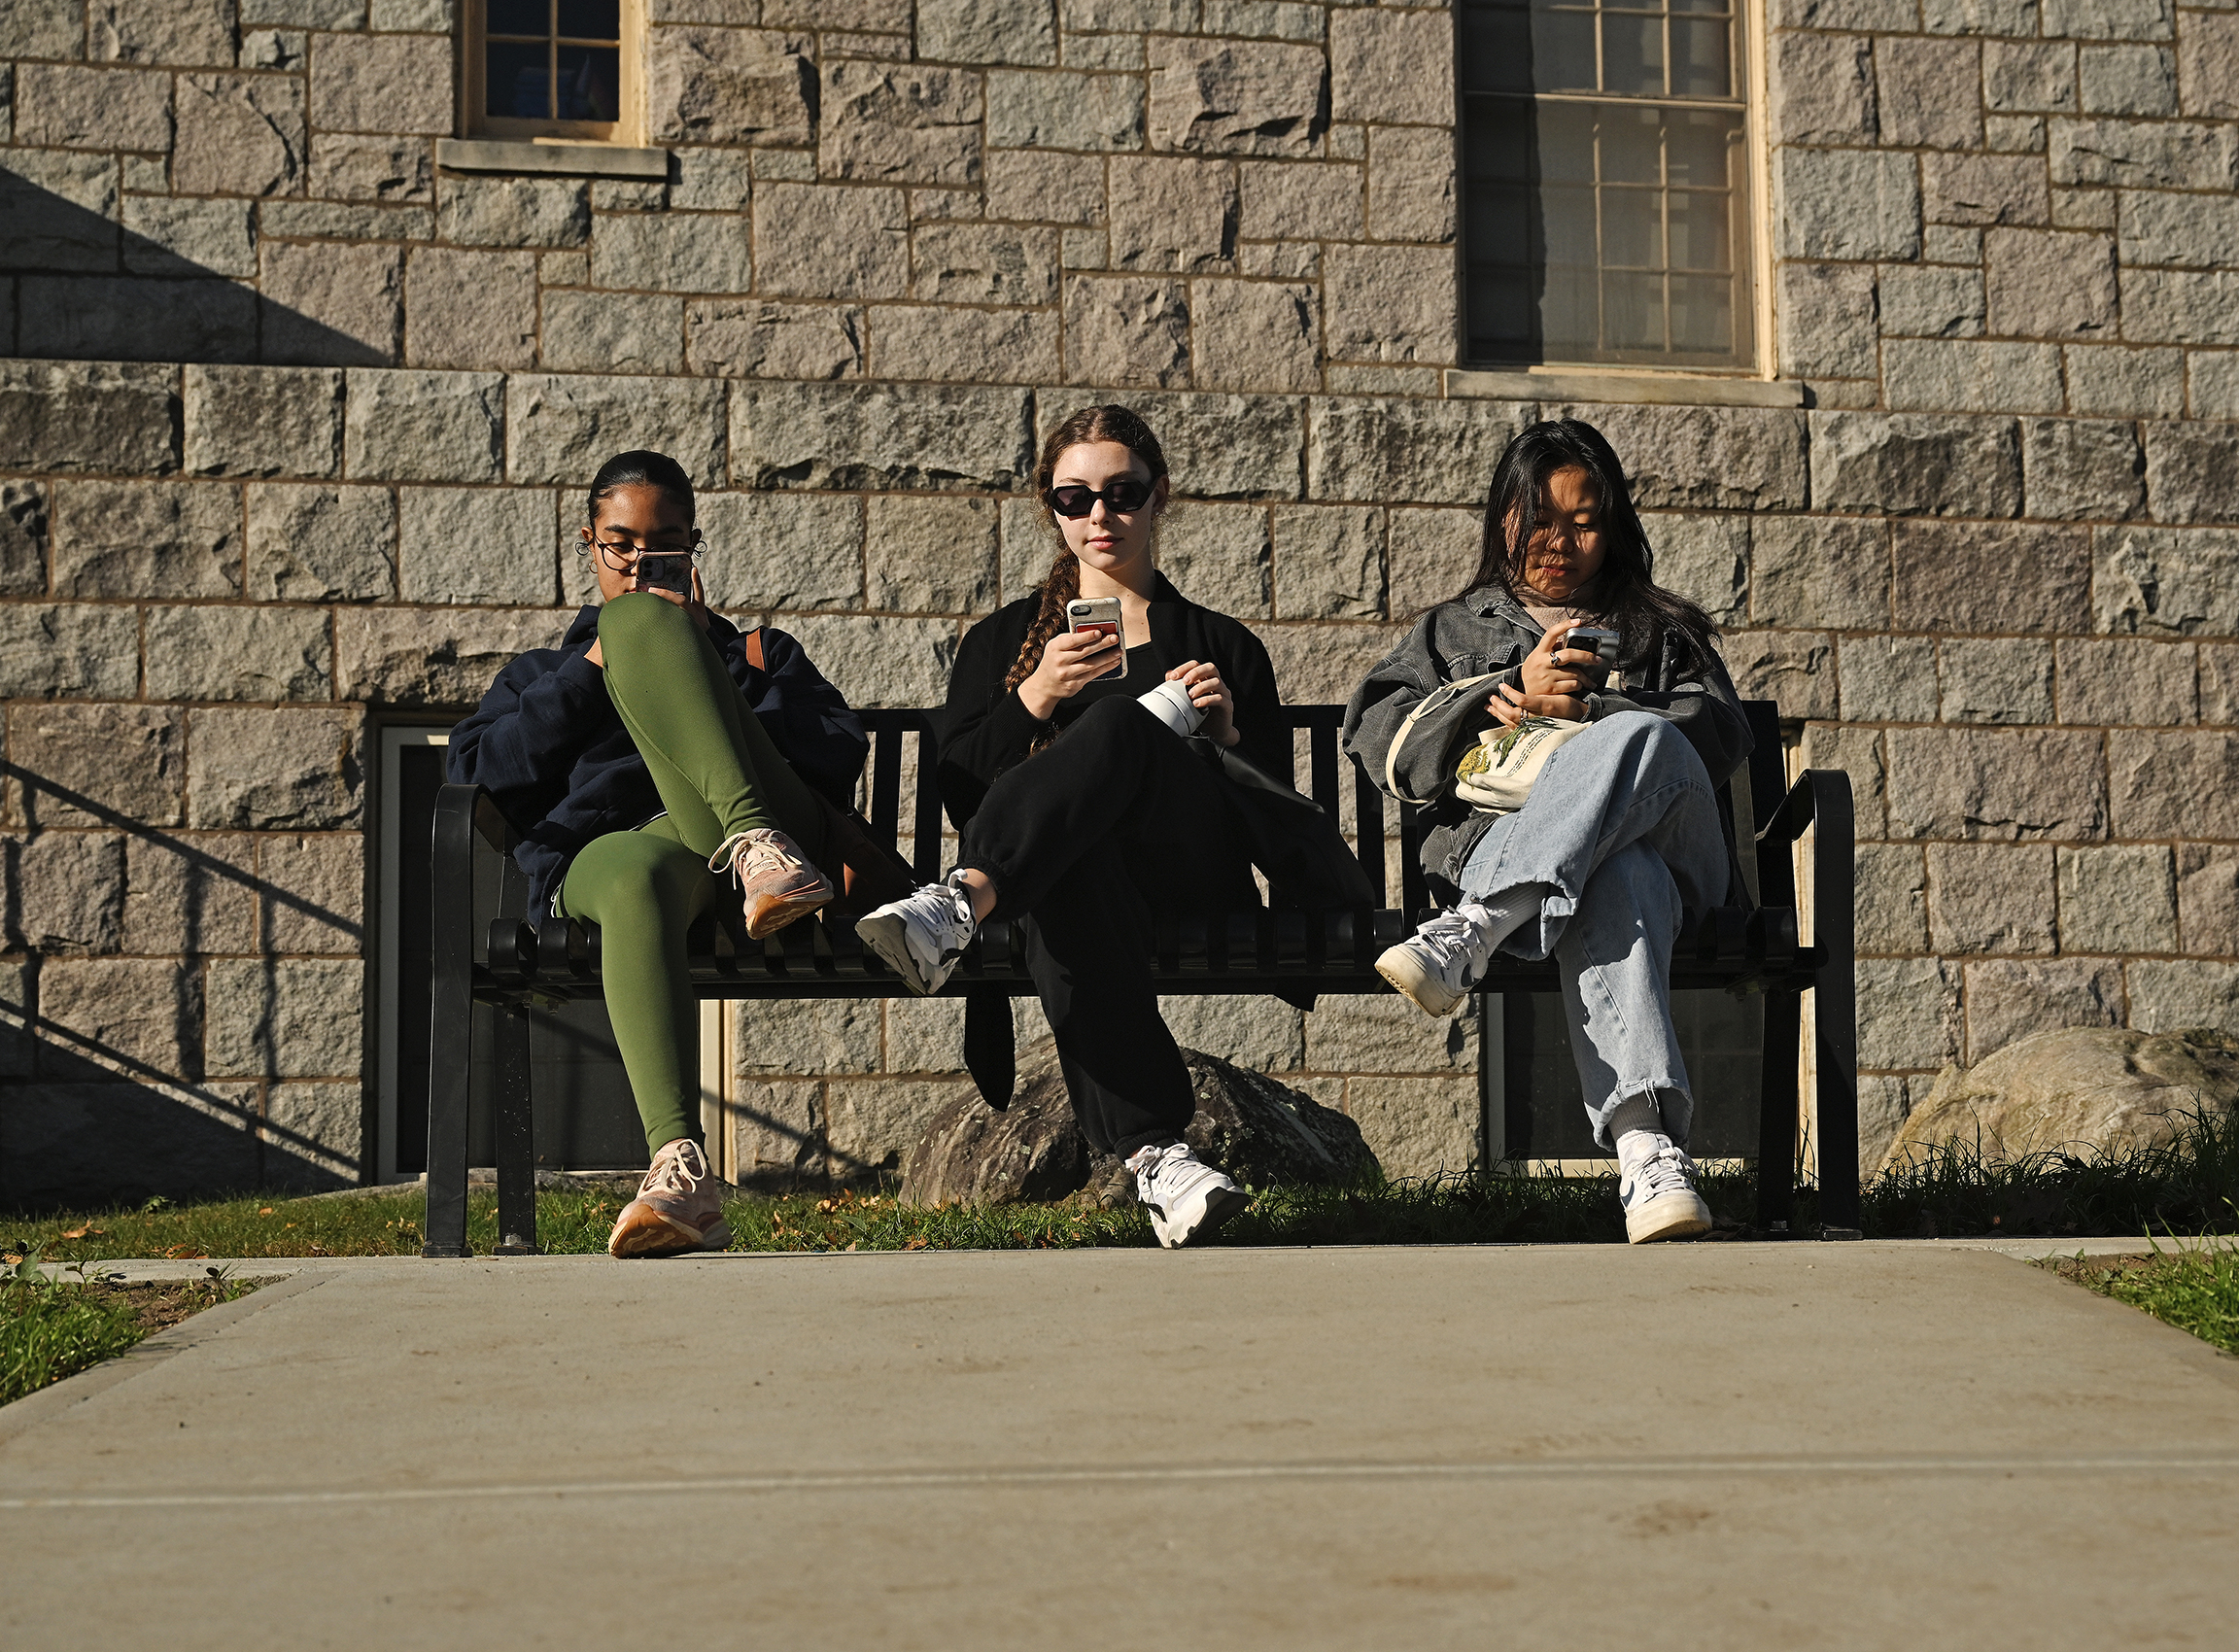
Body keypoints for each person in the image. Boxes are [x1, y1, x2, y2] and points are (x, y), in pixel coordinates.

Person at [853, 404, 1339, 1249]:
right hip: (1069, 885)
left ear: (1159, 501)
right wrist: (1034, 696)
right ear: (1051, 509)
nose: (1100, 516)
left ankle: (961, 901)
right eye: (1075, 498)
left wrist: (1226, 742)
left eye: (1122, 493)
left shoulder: (1218, 644)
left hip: (1185, 875)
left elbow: (1276, 831)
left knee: (1118, 726)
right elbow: (961, 795)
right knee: (1065, 866)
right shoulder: (1005, 642)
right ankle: (1159, 1158)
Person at [448, 450, 868, 1258]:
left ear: (695, 545)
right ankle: (680, 1171)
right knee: (636, 867)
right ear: (589, 543)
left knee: (646, 624)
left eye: (666, 545)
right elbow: (475, 773)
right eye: (622, 545)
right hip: (623, 866)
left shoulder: (756, 654)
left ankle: (752, 839)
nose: (642, 563)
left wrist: (704, 663)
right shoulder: (542, 673)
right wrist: (598, 668)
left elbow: (833, 755)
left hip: (772, 856)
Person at [1342, 420, 1753, 1244]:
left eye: (1584, 520)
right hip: (1531, 853)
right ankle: (1647, 1152)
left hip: (1681, 870)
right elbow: (1381, 744)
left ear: (1615, 527)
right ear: (1504, 518)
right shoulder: (1452, 633)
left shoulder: (1659, 630)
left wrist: (1597, 711)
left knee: (1647, 742)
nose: (1558, 541)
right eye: (1539, 516)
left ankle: (1475, 929)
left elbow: (1717, 742)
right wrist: (1499, 691)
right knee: (1617, 874)